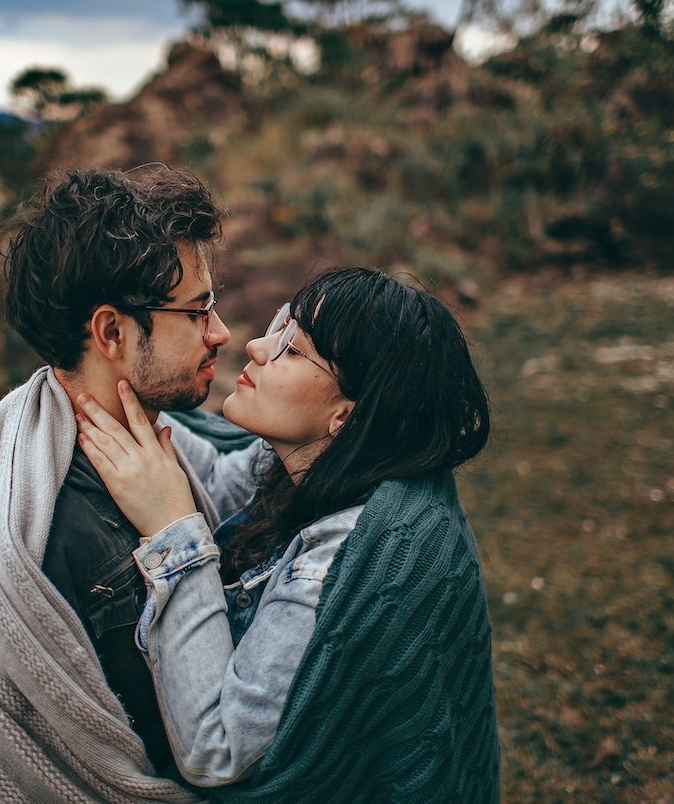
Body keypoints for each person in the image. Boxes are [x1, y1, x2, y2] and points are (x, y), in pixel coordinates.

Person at [0, 165, 263, 803]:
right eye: (197, 310)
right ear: (112, 332)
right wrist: (178, 533)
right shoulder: (88, 536)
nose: (221, 333)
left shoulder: (109, 433)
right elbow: (193, 747)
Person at [76, 267, 500, 802]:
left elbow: (219, 748)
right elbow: (209, 477)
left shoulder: (340, 562)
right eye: (278, 329)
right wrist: (101, 377)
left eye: (292, 350)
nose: (255, 346)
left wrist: (171, 529)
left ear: (347, 414)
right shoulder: (315, 464)